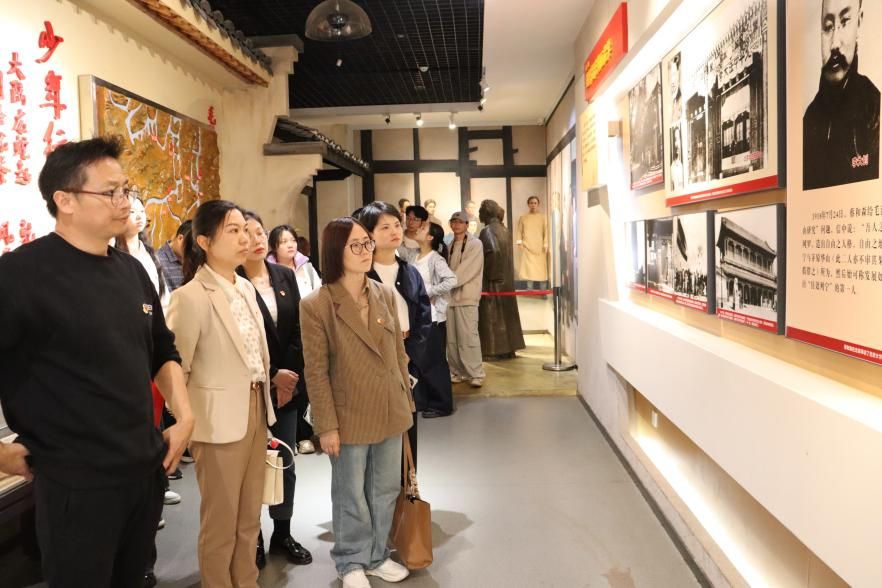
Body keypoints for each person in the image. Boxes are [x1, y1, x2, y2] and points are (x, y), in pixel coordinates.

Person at [0, 136, 193, 587]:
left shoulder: (131, 270)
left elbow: (162, 350)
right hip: (76, 483)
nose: (125, 202)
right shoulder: (20, 275)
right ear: (64, 200)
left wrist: (184, 415)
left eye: (126, 190)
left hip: (144, 472)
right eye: (110, 192)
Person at [166, 200, 276, 588]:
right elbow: (174, 368)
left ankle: (246, 582)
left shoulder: (244, 286)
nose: (244, 237)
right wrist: (185, 418)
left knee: (249, 517)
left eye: (245, 229)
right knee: (221, 522)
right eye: (233, 230)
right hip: (216, 421)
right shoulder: (191, 296)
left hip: (256, 409)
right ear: (204, 241)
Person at [300, 217, 414, 588]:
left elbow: (398, 354)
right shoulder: (317, 305)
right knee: (350, 493)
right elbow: (316, 372)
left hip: (389, 407)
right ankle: (351, 560)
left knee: (385, 489)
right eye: (357, 245)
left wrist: (406, 403)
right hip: (348, 414)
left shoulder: (382, 294)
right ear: (337, 251)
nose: (367, 251)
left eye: (368, 243)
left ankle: (377, 555)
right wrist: (326, 426)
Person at [238, 212, 313, 569]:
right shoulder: (233, 280)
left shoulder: (284, 275)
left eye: (259, 232)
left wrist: (289, 377)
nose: (255, 239)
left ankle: (282, 533)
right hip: (251, 387)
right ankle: (252, 536)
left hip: (288, 386)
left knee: (285, 460)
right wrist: (271, 376)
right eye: (245, 232)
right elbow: (239, 341)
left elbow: (299, 326)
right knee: (251, 464)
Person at [357, 202, 431, 466]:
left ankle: (407, 486)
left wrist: (410, 356)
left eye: (397, 225)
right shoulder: (361, 274)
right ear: (369, 234)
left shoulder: (410, 271)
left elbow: (424, 317)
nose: (394, 231)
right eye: (385, 227)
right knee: (376, 429)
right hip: (373, 361)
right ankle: (379, 488)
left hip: (407, 355)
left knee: (407, 426)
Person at [804, 0, 880, 190]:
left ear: (859, 23)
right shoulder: (810, 117)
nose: (834, 44)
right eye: (828, 27)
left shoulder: (874, 108)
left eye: (845, 21)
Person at [267, 224, 319, 453]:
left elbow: (319, 293)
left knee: (307, 382)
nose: (290, 245)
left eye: (292, 240)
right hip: (285, 338)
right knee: (291, 382)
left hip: (310, 331)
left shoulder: (306, 267)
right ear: (274, 247)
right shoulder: (270, 272)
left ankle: (306, 433)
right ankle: (291, 435)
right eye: (283, 241)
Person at [411, 222, 457, 417]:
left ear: (430, 237)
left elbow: (452, 280)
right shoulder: (414, 256)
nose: (418, 229)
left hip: (433, 317)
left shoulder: (435, 258)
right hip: (418, 317)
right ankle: (424, 401)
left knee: (435, 361)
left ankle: (442, 404)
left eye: (423, 229)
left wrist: (429, 291)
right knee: (420, 360)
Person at [478, 200, 526, 359]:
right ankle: (509, 348)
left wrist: (489, 275)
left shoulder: (487, 231)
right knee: (506, 315)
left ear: (486, 212)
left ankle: (493, 350)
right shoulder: (504, 229)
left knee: (493, 317)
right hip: (506, 279)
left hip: (494, 281)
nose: (479, 214)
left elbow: (494, 252)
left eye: (480, 211)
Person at [446, 211, 486, 387]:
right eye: (453, 222)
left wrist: (446, 283)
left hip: (467, 297)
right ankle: (456, 371)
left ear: (467, 225)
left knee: (468, 337)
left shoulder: (475, 244)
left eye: (460, 222)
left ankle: (476, 373)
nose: (456, 225)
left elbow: (467, 269)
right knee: (452, 339)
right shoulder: (449, 244)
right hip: (449, 298)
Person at [515, 196, 548, 289]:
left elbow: (546, 231)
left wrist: (545, 244)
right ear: (528, 204)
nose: (533, 205)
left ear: (538, 204)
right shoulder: (523, 218)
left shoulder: (543, 217)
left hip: (540, 248)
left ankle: (543, 290)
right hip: (527, 247)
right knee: (528, 270)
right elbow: (519, 231)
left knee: (541, 270)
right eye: (531, 203)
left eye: (535, 203)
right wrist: (520, 243)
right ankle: (530, 289)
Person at [156, 219, 192, 292]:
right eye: (192, 247)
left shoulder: (198, 258)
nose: (194, 253)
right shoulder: (157, 260)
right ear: (180, 238)